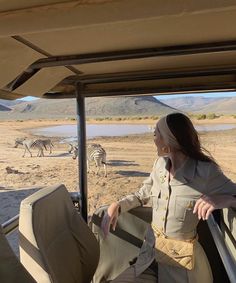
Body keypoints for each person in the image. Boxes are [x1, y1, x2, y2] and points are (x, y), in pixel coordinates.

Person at [101, 112, 236, 283]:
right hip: (149, 257)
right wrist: (117, 206)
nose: (154, 139)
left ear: (169, 140)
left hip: (183, 266)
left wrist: (228, 200)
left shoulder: (205, 171)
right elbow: (143, 194)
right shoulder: (159, 165)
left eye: (156, 134)